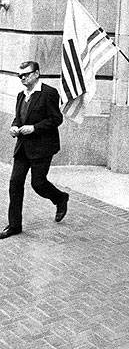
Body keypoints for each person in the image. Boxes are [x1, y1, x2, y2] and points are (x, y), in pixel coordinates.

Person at [1, 61, 69, 238]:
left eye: (26, 74)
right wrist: (14, 127)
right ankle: (14, 225)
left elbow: (56, 119)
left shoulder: (48, 93)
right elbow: (19, 118)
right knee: (15, 184)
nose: (23, 78)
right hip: (23, 147)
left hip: (42, 147)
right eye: (20, 75)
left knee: (38, 184)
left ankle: (60, 198)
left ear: (37, 73)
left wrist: (34, 128)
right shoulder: (21, 95)